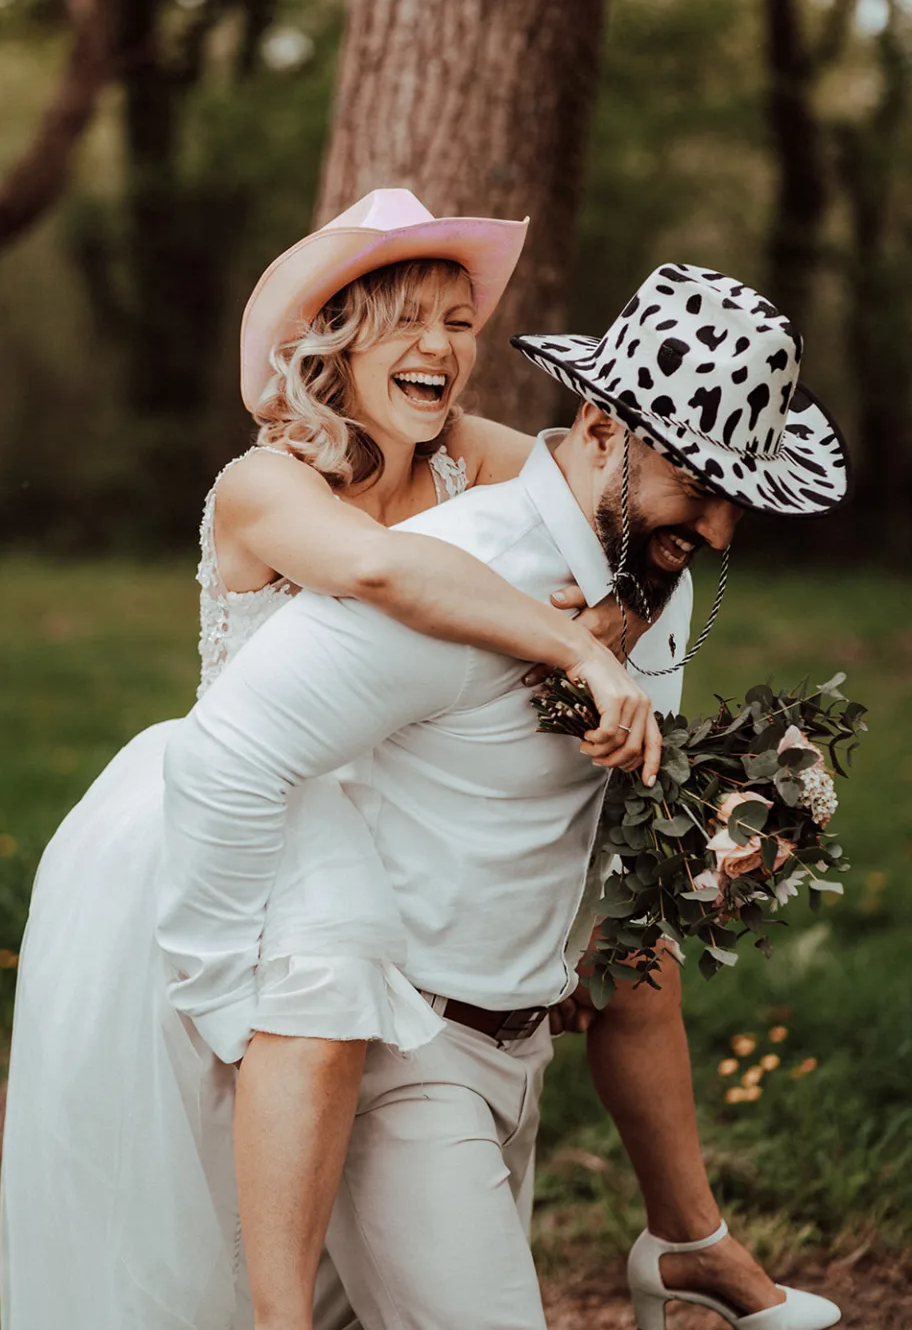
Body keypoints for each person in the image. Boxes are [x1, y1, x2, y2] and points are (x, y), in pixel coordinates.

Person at [0, 189, 658, 1330]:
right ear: (335, 336)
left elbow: (596, 491)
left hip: (397, 816)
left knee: (387, 1124)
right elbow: (379, 576)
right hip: (246, 809)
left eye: (458, 323)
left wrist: (629, 613)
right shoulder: (265, 486)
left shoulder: (470, 463)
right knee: (231, 1121)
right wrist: (567, 642)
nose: (441, 348)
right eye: (407, 319)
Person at [158, 258, 849, 1330]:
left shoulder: (633, 576)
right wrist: (230, 1015)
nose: (717, 532)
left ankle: (687, 1238)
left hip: (513, 1051)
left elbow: (561, 795)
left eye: (736, 500)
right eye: (700, 487)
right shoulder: (452, 574)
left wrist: (707, 841)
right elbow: (220, 760)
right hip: (400, 1054)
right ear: (602, 425)